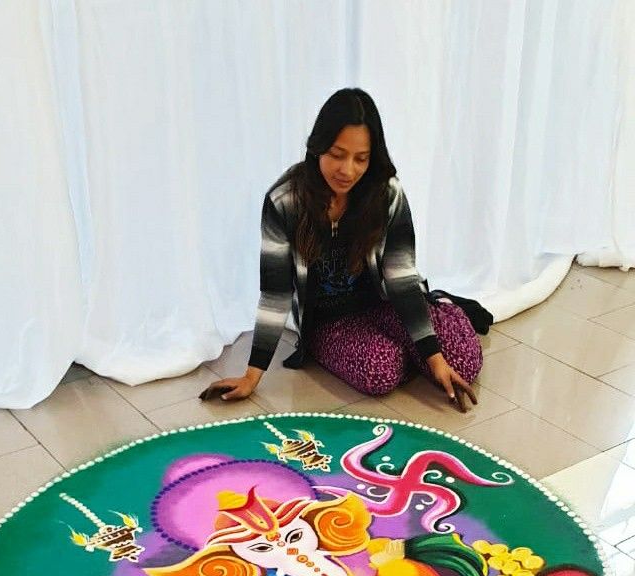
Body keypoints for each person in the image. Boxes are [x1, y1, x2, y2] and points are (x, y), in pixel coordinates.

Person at [201, 88, 485, 412]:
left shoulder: (386, 193)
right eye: (337, 154)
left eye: (360, 158)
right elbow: (276, 294)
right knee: (381, 372)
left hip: (385, 304)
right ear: (317, 147)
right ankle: (404, 346)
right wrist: (252, 376)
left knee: (461, 362)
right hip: (330, 322)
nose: (347, 170)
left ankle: (436, 315)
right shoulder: (284, 203)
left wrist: (432, 356)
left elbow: (401, 277)